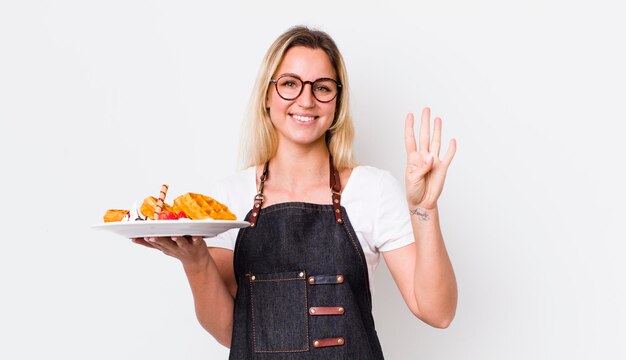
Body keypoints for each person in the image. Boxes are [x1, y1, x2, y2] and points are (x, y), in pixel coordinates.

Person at [133, 25, 457, 359]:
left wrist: (425, 210)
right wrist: (195, 260)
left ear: (337, 103)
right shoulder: (229, 199)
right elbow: (230, 331)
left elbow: (437, 312)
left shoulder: (372, 190)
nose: (306, 100)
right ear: (267, 96)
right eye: (290, 84)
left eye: (322, 87)